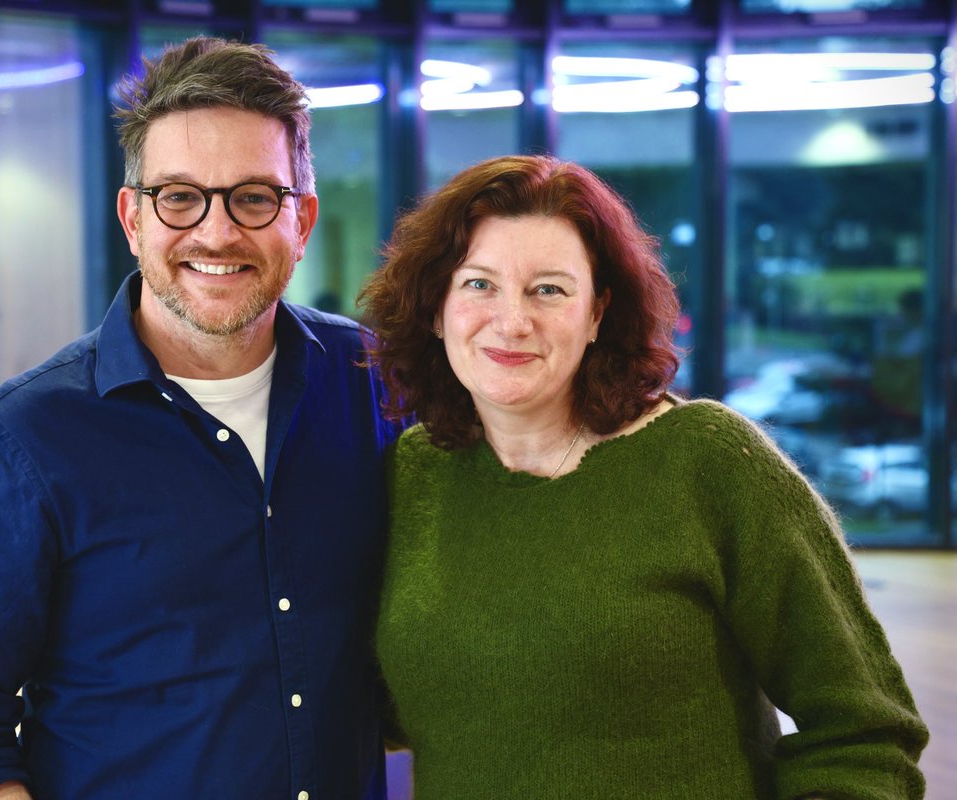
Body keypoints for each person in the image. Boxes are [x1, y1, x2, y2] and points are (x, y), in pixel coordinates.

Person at [0, 37, 398, 800]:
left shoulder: (375, 383)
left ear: (302, 222)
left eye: (254, 197)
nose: (217, 232)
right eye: (179, 197)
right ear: (133, 218)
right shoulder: (19, 442)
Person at [358, 154, 928, 799]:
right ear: (436, 309)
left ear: (597, 313)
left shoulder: (707, 462)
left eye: (549, 290)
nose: (512, 320)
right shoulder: (413, 474)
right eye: (479, 284)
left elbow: (863, 732)